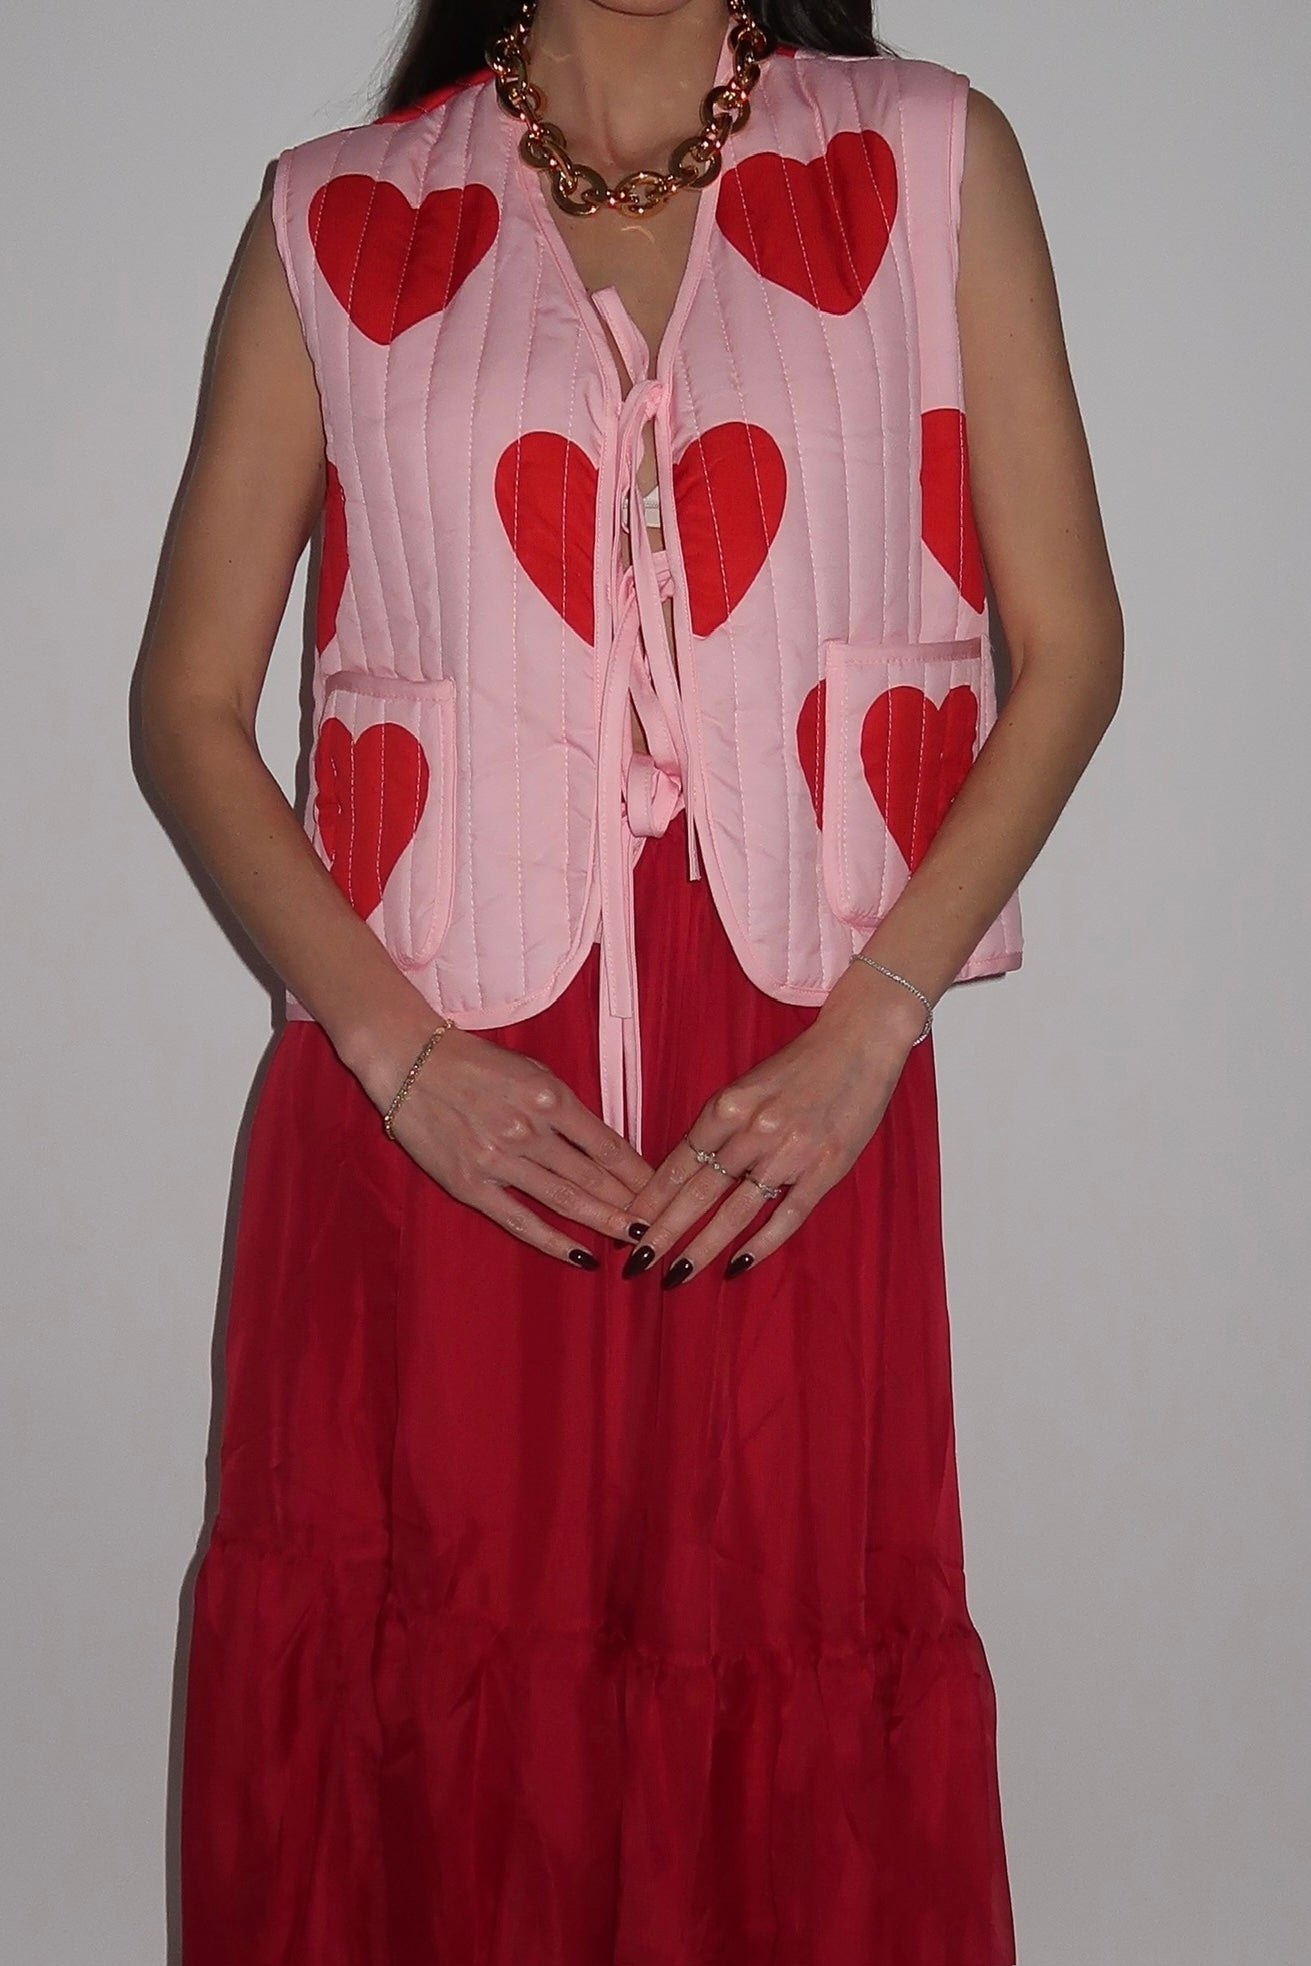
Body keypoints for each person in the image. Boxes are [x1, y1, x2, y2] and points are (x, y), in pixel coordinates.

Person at [138, 0, 1122, 1958]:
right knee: (425, 1678)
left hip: (786, 1088)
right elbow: (185, 703)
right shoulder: (335, 213)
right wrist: (401, 1057)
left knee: (778, 1648)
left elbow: (1071, 647)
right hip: (434, 1094)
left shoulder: (929, 158)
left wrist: (873, 1028)